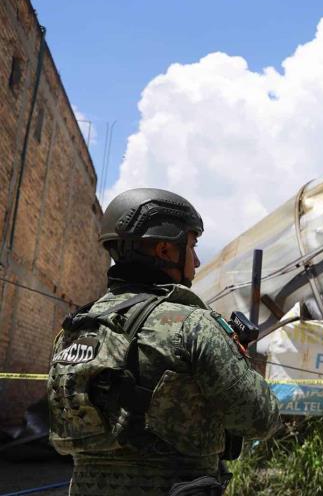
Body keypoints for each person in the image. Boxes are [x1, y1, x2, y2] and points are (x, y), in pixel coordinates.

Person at [47, 188, 281, 495]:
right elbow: (260, 419)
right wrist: (240, 361)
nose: (196, 261)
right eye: (192, 245)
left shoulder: (73, 329)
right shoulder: (193, 325)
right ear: (164, 250)